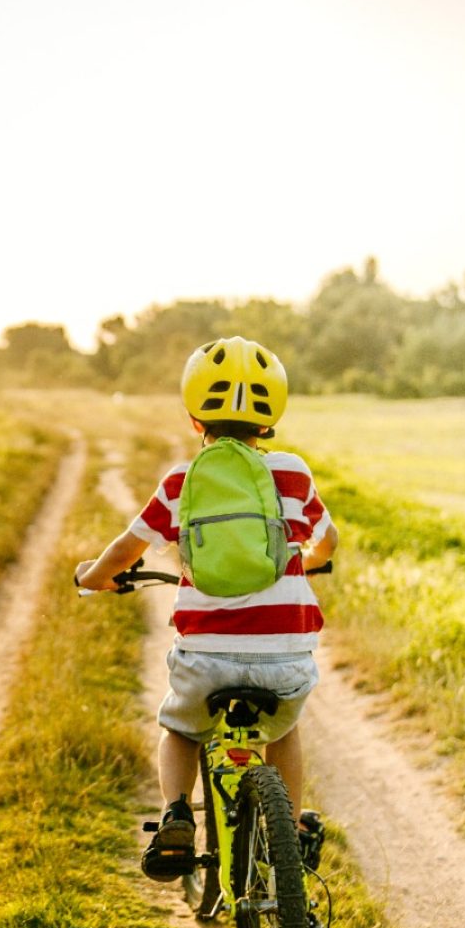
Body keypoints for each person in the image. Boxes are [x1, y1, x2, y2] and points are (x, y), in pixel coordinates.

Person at [74, 337, 336, 877]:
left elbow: (128, 547)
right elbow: (327, 541)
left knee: (182, 729)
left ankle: (175, 813)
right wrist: (305, 559)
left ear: (196, 419)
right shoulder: (292, 473)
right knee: (283, 730)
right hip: (284, 656)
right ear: (270, 421)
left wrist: (93, 577)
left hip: (205, 659)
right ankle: (282, 822)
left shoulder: (181, 481)